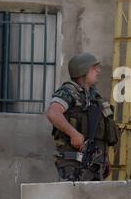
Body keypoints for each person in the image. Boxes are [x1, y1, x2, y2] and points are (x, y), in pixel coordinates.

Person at [46, 52, 118, 181]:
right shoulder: (69, 92)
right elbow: (53, 113)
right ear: (83, 71)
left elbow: (98, 133)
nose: (98, 71)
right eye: (94, 68)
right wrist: (73, 133)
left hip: (96, 164)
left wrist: (105, 158)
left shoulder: (95, 97)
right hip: (74, 163)